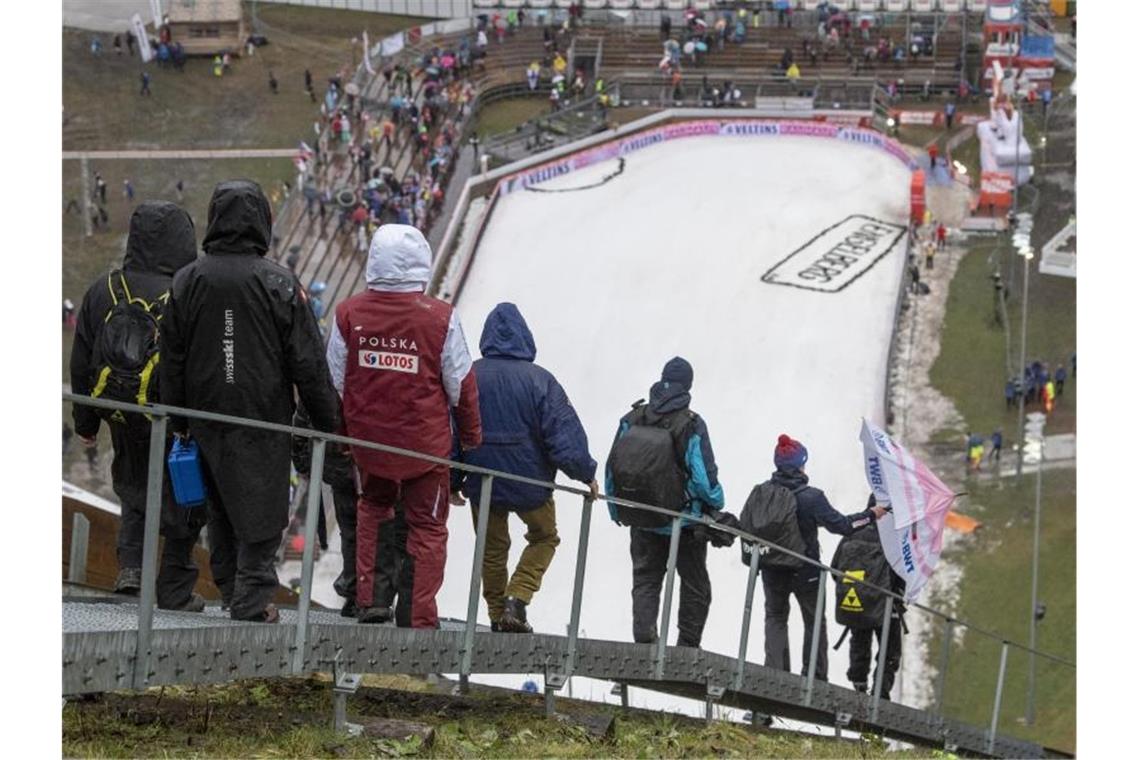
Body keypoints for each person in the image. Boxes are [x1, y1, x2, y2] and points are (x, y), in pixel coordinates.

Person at [161, 180, 340, 623]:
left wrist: (178, 416)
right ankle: (253, 595)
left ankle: (231, 587)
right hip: (262, 416)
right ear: (261, 219)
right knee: (263, 507)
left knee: (220, 504)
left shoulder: (188, 279)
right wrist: (329, 422)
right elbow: (308, 361)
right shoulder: (278, 282)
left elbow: (172, 355)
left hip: (204, 414)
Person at [326, 224, 482, 628]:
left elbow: (337, 380)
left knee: (374, 509)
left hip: (370, 444)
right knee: (427, 526)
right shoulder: (440, 318)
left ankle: (373, 600)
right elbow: (461, 384)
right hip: (424, 448)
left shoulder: (347, 314)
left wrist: (346, 434)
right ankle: (417, 614)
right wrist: (470, 438)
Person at [70, 201, 206, 611]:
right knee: (186, 493)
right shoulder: (187, 291)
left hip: (121, 412)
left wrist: (85, 421)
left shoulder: (104, 289)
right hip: (174, 415)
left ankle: (130, 567)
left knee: (132, 486)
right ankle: (175, 584)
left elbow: (82, 359)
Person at [451, 303, 598, 633]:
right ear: (525, 337)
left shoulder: (469, 377)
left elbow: (453, 431)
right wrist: (585, 473)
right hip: (530, 483)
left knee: (491, 548)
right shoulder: (540, 381)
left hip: (482, 480)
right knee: (545, 536)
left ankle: (495, 613)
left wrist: (451, 479)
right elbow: (563, 434)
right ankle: (517, 600)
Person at [606, 357, 725, 648]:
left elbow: (613, 469)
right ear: (688, 385)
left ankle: (645, 638)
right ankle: (686, 646)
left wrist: (617, 509)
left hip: (642, 516)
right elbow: (702, 478)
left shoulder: (632, 417)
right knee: (696, 586)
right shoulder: (691, 423)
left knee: (646, 579)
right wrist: (717, 502)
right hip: (683, 523)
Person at [757, 436, 885, 680]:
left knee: (775, 618)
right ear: (800, 466)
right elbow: (844, 526)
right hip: (806, 572)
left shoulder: (764, 492)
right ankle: (814, 676)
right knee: (814, 622)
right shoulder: (811, 497)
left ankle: (775, 676)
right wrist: (870, 515)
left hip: (772, 569)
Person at [291, 402, 367, 618]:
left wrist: (303, 464)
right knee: (377, 529)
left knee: (350, 530)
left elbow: (303, 418)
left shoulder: (327, 373)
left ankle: (354, 591)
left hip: (339, 464)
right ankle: (371, 594)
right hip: (370, 462)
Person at [832, 502, 906, 698]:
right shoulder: (895, 537)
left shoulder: (853, 532)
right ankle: (880, 693)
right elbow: (903, 573)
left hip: (857, 599)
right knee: (889, 648)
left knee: (859, 639)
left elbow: (835, 567)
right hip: (887, 604)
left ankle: (858, 684)